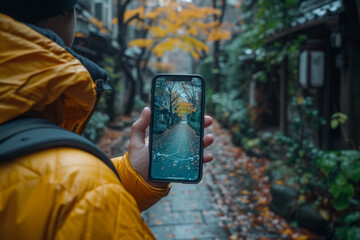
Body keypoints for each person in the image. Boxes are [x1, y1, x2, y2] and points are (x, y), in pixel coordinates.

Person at [0, 1, 214, 239]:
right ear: (64, 16)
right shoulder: (85, 192)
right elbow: (79, 198)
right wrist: (100, 189)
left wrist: (134, 174)